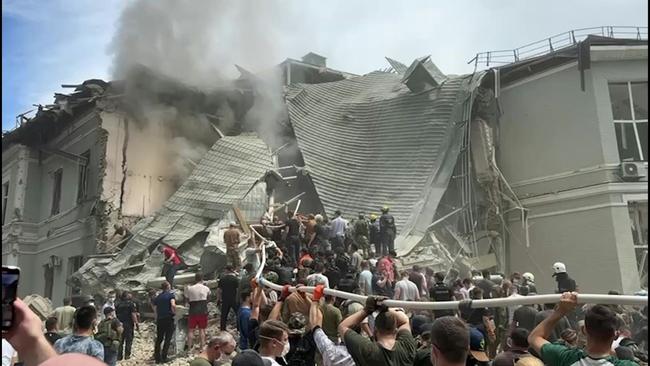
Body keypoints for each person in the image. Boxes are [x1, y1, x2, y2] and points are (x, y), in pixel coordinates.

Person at [528, 292, 638, 366]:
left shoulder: (565, 358)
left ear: (583, 330)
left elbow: (534, 337)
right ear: (616, 335)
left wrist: (560, 311)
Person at [338, 296, 417, 366]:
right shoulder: (407, 346)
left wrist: (367, 310)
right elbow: (405, 320)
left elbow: (343, 326)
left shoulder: (368, 350)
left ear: (375, 330)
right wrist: (387, 309)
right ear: (395, 329)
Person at [307, 285, 356, 366]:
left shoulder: (320, 308)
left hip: (321, 338)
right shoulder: (335, 311)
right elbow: (340, 326)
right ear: (333, 298)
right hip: (333, 340)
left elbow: (314, 322)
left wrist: (315, 299)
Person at [152, 281, 176, 363]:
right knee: (168, 338)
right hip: (168, 318)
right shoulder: (171, 295)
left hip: (160, 319)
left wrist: (156, 318)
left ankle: (157, 358)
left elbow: (155, 309)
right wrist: (174, 312)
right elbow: (173, 305)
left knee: (159, 339)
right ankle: (164, 357)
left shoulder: (158, 297)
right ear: (168, 287)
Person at [186, 273, 211, 350]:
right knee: (202, 329)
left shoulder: (190, 288)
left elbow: (187, 299)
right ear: (202, 279)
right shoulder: (206, 288)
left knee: (191, 330)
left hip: (193, 310)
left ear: (195, 279)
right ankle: (202, 347)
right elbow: (209, 298)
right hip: (203, 310)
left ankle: (189, 348)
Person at [115, 291, 139, 361]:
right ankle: (127, 355)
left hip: (120, 324)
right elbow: (133, 315)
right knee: (129, 339)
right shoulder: (131, 304)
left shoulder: (118, 304)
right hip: (128, 324)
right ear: (127, 296)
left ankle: (119, 356)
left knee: (120, 340)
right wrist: (137, 323)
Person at [217, 265, 240, 332]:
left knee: (224, 315)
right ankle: (239, 328)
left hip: (225, 299)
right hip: (234, 299)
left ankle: (223, 329)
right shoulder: (235, 279)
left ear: (227, 270)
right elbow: (238, 290)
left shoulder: (222, 279)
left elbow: (219, 290)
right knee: (238, 314)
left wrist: (218, 299)